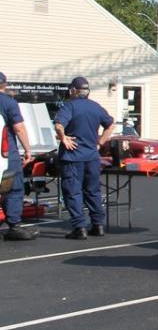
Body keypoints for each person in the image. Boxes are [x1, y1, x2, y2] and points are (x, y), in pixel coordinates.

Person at [54, 77, 116, 239]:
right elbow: (111, 125)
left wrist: (64, 138)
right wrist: (100, 143)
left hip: (73, 158)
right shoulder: (95, 107)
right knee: (93, 191)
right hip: (92, 157)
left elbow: (59, 124)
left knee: (73, 192)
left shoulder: (70, 106)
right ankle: (98, 225)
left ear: (73, 90)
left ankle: (79, 227)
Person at [0, 72, 37, 241]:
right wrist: (27, 150)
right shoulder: (8, 102)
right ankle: (14, 226)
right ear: (4, 85)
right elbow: (19, 128)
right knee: (10, 188)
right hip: (5, 157)